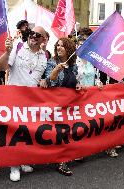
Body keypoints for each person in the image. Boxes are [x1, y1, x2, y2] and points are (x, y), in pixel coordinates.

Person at [0, 26, 48, 181]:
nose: (33, 36)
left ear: (44, 39)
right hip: (14, 99)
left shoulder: (44, 55)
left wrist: (43, 80)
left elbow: (39, 76)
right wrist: (6, 52)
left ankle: (24, 160)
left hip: (32, 101)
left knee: (27, 132)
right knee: (15, 133)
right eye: (32, 33)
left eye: (38, 35)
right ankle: (14, 165)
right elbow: (1, 67)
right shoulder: (17, 47)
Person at [42, 37, 79, 176]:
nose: (59, 48)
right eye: (57, 45)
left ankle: (65, 156)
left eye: (62, 46)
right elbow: (49, 82)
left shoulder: (73, 64)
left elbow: (74, 80)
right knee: (59, 132)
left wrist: (78, 85)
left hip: (69, 105)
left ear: (68, 48)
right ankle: (61, 161)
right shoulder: (52, 62)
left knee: (68, 131)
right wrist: (56, 70)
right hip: (55, 104)